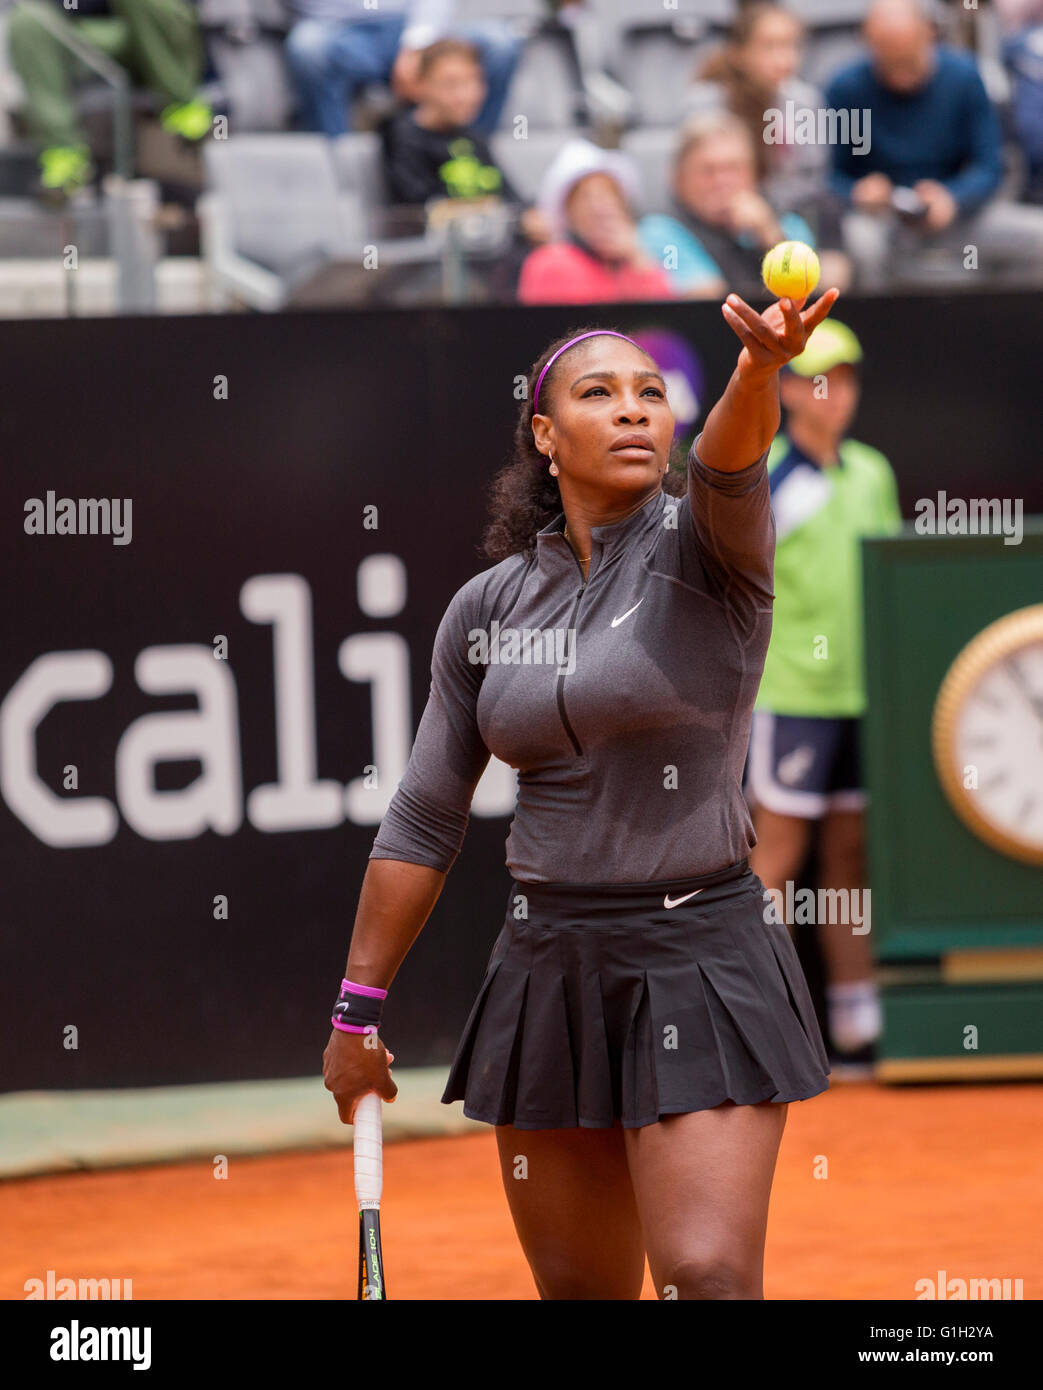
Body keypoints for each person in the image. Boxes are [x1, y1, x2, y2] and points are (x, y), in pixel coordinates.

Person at [322, 281, 843, 1300]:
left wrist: (758, 367)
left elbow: (730, 456)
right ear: (546, 436)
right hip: (548, 968)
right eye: (600, 393)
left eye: (650, 392)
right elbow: (424, 814)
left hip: (701, 954)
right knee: (581, 1292)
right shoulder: (487, 607)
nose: (633, 408)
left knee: (705, 1274)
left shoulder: (710, 550)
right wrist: (355, 1012)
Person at [743, 319, 901, 1076]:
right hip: (791, 693)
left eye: (843, 378)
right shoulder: (771, 477)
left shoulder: (872, 471)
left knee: (850, 855)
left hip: (862, 698)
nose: (831, 393)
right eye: (814, 378)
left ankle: (854, 1026)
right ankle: (764, 1031)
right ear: (784, 389)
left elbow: (892, 586)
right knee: (775, 858)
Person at [826, 0, 1043, 288]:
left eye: (908, 59)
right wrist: (857, 192)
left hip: (957, 214)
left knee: (1037, 237)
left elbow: (990, 166)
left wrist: (953, 197)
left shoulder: (964, 77)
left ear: (929, 34)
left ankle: (1003, 326)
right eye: (888, 60)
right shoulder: (846, 89)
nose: (900, 73)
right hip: (882, 220)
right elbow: (829, 177)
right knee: (859, 243)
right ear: (868, 44)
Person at [7, 0, 212, 197]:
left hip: (154, 27)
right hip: (94, 32)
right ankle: (65, 159)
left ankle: (185, 109)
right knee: (28, 19)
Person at [638, 111, 851, 300]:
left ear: (754, 175)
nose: (722, 181)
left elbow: (811, 297)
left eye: (734, 168)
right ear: (679, 179)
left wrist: (771, 239)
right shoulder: (659, 232)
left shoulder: (786, 225)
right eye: (708, 170)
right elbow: (705, 299)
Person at [380, 38, 549, 249]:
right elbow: (422, 213)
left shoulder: (474, 138)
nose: (465, 95)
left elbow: (511, 198)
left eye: (473, 81)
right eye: (450, 84)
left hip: (491, 255)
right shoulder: (400, 137)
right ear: (421, 84)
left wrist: (532, 217)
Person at [284, 0, 523, 139]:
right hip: (340, 29)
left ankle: (471, 150)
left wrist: (418, 42)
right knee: (308, 47)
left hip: (422, 24)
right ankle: (336, 161)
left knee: (499, 44)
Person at [685, 2, 830, 224]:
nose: (785, 59)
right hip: (719, 221)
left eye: (792, 46)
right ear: (739, 53)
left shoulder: (805, 102)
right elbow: (698, 182)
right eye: (769, 46)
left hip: (790, 216)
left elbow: (813, 179)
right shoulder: (705, 104)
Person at [518, 138, 677, 304]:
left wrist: (638, 260)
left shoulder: (638, 259)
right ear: (569, 213)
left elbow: (660, 321)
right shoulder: (549, 263)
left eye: (608, 195)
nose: (599, 208)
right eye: (585, 198)